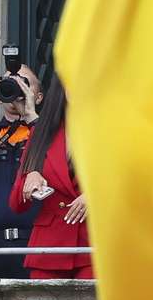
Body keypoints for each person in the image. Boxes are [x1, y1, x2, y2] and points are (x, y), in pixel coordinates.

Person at [8, 75, 91, 279]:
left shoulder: (116, 130)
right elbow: (16, 204)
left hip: (94, 243)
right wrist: (31, 176)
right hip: (49, 247)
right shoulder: (41, 133)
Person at [0, 65, 43, 278]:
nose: (16, 89)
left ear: (39, 96)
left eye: (24, 84)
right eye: (10, 82)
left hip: (36, 242)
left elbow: (56, 154)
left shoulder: (48, 133)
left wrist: (31, 116)